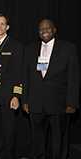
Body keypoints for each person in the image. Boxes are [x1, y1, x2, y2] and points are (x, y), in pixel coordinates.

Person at [22, 19, 79, 159]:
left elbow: (74, 77)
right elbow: (25, 76)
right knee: (37, 141)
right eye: (41, 29)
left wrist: (72, 102)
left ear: (54, 30)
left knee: (58, 140)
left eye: (48, 28)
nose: (44, 31)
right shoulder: (30, 49)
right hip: (35, 103)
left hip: (59, 104)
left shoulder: (68, 48)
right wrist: (25, 100)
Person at [0, 13, 23, 159]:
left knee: (9, 131)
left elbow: (20, 74)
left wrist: (16, 95)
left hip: (9, 96)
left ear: (7, 27)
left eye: (2, 24)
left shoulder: (16, 46)